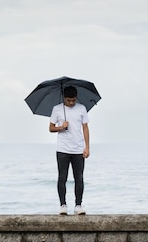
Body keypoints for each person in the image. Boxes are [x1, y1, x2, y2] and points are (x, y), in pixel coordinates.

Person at [49, 85, 90, 215]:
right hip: (62, 149)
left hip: (78, 149)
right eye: (68, 100)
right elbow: (50, 128)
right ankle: (63, 205)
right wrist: (61, 127)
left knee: (79, 177)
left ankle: (78, 205)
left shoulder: (82, 108)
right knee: (62, 177)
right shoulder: (57, 109)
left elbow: (85, 128)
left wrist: (87, 147)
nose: (71, 103)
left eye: (73, 100)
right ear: (64, 98)